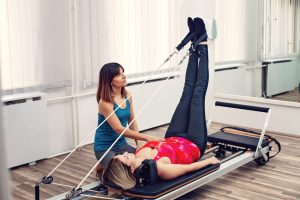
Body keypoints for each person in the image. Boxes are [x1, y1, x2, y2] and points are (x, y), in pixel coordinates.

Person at [102, 17, 220, 190]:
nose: (126, 153)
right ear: (131, 168)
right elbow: (186, 168)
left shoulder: (138, 153)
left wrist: (140, 141)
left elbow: (134, 133)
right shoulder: (157, 168)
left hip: (173, 135)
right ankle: (202, 45)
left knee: (187, 91)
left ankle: (194, 44)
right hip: (193, 143)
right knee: (197, 94)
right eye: (125, 157)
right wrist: (208, 161)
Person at [94, 62, 161, 174]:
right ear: (109, 81)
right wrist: (146, 137)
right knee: (124, 173)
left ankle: (106, 163)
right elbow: (118, 129)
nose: (124, 76)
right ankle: (102, 165)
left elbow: (132, 120)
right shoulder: (105, 102)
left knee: (142, 164)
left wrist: (138, 143)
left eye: (123, 73)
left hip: (121, 145)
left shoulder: (127, 95)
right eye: (118, 75)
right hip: (104, 147)